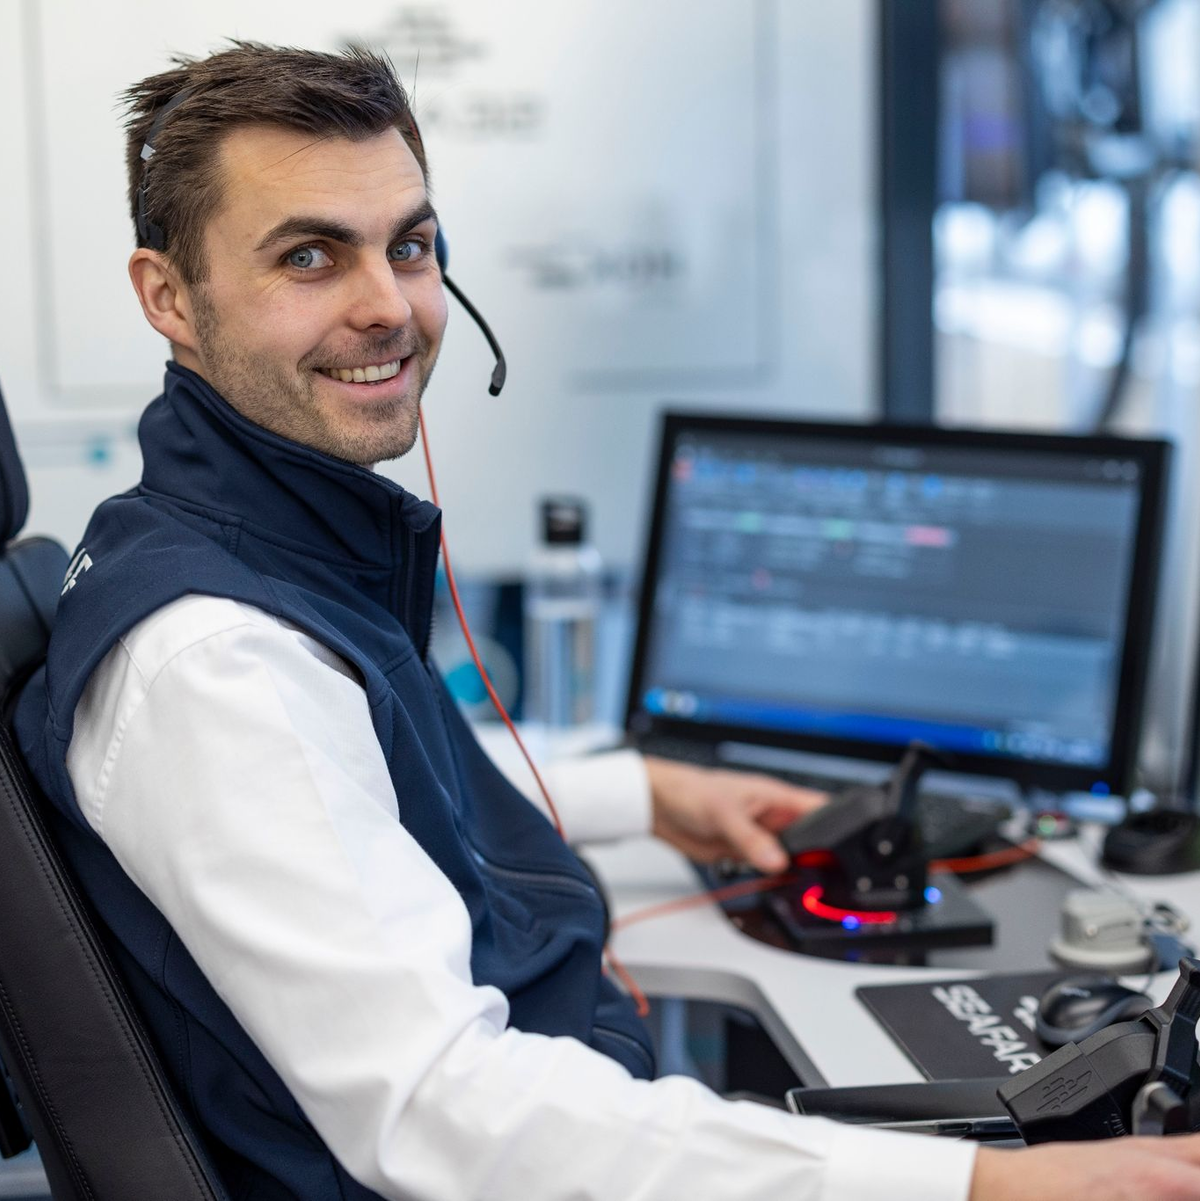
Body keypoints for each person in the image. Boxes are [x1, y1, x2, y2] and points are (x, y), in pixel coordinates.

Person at [14, 39, 1200, 1201]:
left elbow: (362, 802)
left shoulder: (222, 545)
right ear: (168, 295)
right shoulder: (217, 661)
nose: (389, 308)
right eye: (311, 257)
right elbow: (447, 1116)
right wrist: (989, 1185)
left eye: (412, 246)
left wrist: (655, 794)